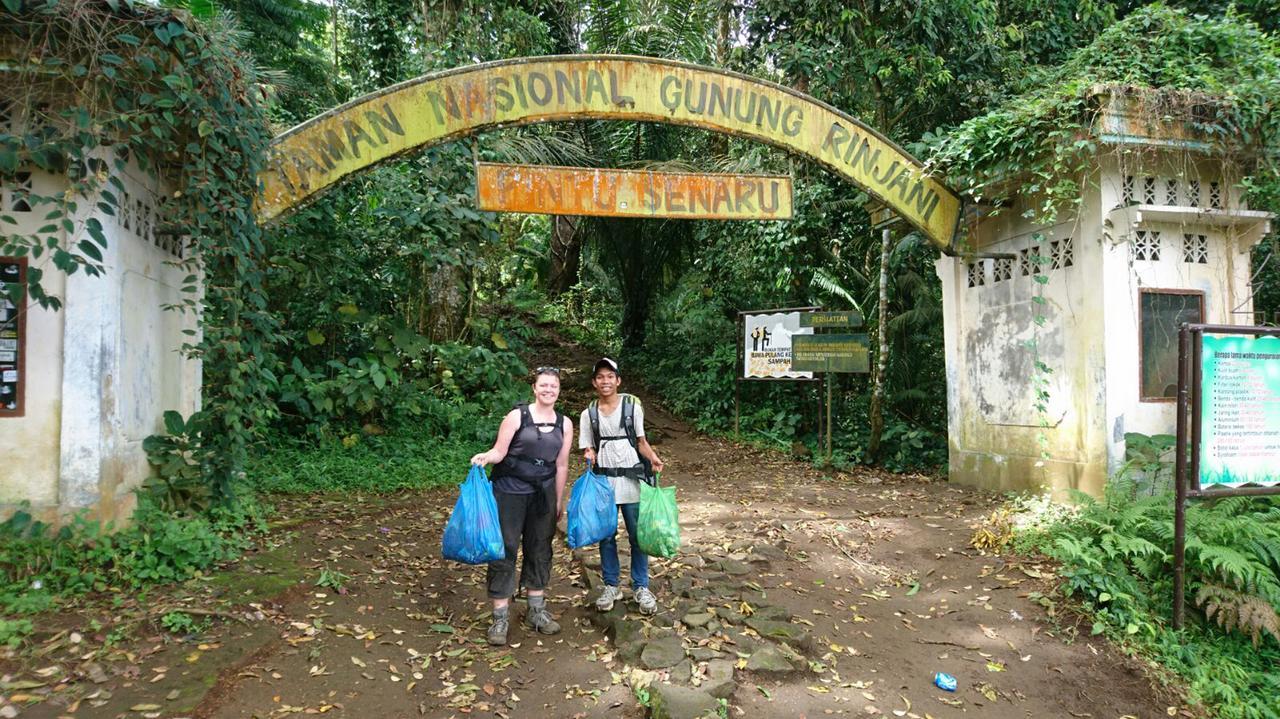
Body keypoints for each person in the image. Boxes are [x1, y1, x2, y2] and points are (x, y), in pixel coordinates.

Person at [470, 367, 572, 645]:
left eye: (554, 386)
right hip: (510, 491)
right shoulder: (517, 416)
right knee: (505, 547)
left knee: (540, 546)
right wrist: (485, 458)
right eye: (544, 385)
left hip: (543, 494)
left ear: (559, 390)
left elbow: (561, 464)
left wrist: (558, 499)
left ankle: (536, 609)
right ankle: (500, 617)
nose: (549, 390)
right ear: (534, 388)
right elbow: (499, 451)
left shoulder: (565, 423)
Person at [579, 357, 665, 614]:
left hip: (631, 480)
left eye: (610, 376)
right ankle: (611, 585)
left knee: (638, 536)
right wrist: (589, 455)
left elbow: (640, 441)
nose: (605, 381)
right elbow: (588, 446)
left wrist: (653, 457)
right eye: (600, 377)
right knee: (607, 536)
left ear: (618, 380)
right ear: (594, 382)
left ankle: (641, 586)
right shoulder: (588, 414)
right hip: (604, 482)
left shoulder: (631, 407)